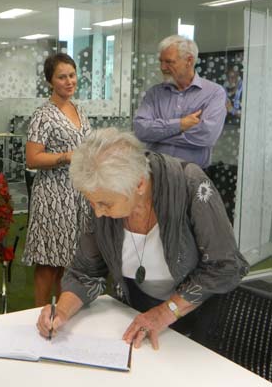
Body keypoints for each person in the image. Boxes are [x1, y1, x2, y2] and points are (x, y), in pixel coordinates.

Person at [36, 127, 248, 350]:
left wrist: (166, 312)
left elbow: (225, 266)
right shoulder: (104, 194)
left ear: (139, 184)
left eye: (105, 204)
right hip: (138, 319)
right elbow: (85, 272)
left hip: (200, 326)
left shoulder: (190, 185)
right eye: (92, 203)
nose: (97, 213)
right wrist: (61, 310)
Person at [22, 53, 91, 306]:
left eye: (72, 75)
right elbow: (32, 159)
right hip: (52, 195)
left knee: (70, 260)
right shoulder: (43, 115)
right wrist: (65, 157)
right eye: (62, 77)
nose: (69, 81)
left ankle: (60, 315)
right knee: (48, 260)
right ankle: (37, 315)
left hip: (77, 194)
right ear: (50, 81)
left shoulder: (79, 110)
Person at [133, 35, 227, 169]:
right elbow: (140, 130)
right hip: (155, 173)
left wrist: (158, 135)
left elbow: (206, 136)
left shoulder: (214, 93)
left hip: (192, 177)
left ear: (189, 61)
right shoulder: (154, 93)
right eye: (161, 61)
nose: (162, 67)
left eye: (169, 62)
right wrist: (181, 124)